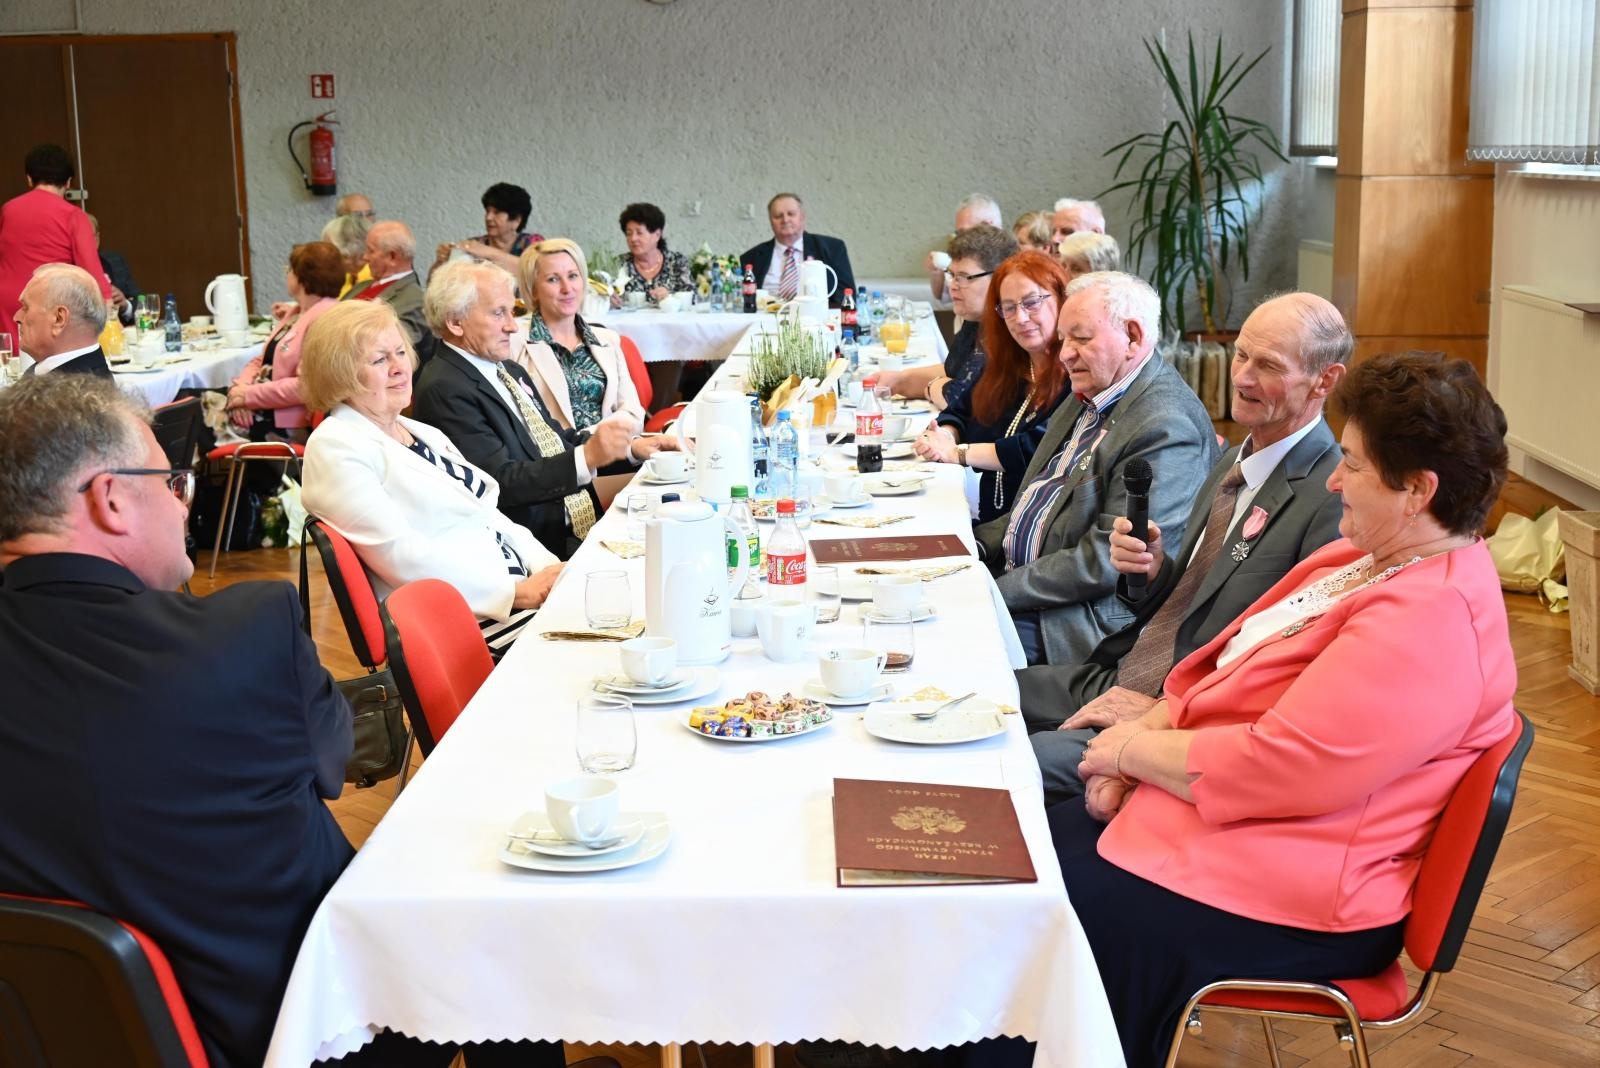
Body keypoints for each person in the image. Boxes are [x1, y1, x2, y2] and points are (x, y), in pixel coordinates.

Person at [1051, 350, 1518, 1068]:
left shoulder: (1434, 619)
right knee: (1026, 845)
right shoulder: (1365, 561)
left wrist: (1126, 754)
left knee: (1048, 902)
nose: (1335, 479)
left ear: (1418, 490)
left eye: (1355, 465)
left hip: (1302, 896)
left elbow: (1283, 767)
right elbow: (1213, 674)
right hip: (1240, 833)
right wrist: (1141, 732)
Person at [0, 373, 354, 1068]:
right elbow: (335, 768)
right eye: (172, 483)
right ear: (109, 499)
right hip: (302, 1033)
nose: (182, 505)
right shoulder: (249, 633)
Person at [1026, 293, 1351, 801]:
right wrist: (1153, 572)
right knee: (976, 691)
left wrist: (1167, 714)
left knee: (1007, 760)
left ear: (1324, 380)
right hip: (1126, 669)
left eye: (1267, 365)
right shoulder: (1239, 455)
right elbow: (1196, 601)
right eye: (1241, 355)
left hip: (1179, 715)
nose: (1241, 377)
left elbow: (1285, 668)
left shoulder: (1331, 498)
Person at [974, 271, 1218, 667]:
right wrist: (972, 549)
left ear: (1133, 337)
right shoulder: (1092, 388)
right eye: (1064, 339)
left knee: (945, 642)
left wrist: (992, 591)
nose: (1065, 353)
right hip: (1033, 589)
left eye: (1081, 339)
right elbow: (1037, 504)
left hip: (1082, 623)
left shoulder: (1166, 426)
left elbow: (1103, 562)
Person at [300, 300, 564, 653]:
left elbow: (487, 514)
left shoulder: (417, 432)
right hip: (462, 622)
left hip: (508, 593)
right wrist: (516, 593)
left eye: (399, 353)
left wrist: (550, 570)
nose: (399, 368)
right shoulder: (336, 446)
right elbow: (402, 555)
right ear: (340, 374)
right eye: (379, 360)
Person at [411, 261, 646, 560]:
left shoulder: (507, 368)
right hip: (535, 546)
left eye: (513, 311)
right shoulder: (444, 387)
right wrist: (588, 457)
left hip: (568, 517)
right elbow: (498, 483)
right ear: (456, 322)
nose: (512, 325)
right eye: (498, 313)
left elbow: (557, 439)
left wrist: (632, 448)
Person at [913, 249, 1071, 524]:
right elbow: (960, 412)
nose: (1020, 318)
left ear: (1061, 300)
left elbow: (1037, 447)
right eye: (1008, 307)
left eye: (1031, 303)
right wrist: (944, 437)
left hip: (1038, 532)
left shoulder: (1077, 372)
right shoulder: (1008, 365)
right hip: (992, 523)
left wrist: (956, 453)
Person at [881, 224, 1018, 413]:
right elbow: (953, 371)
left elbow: (954, 398)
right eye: (952, 275)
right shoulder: (976, 322)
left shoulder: (1009, 332)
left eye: (964, 277)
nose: (953, 286)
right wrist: (898, 380)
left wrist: (932, 386)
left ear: (999, 278)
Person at [224, 241, 344, 442]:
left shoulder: (325, 318)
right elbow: (261, 361)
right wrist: (240, 391)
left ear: (302, 277)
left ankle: (173, 473)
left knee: (194, 409)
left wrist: (248, 396)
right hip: (263, 405)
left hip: (287, 422)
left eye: (289, 270)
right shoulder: (297, 311)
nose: (286, 274)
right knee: (194, 401)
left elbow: (306, 386)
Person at [0, 144, 111, 351]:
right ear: (68, 182)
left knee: (11, 366)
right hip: (49, 303)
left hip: (6, 300)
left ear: (30, 179)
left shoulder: (8, 210)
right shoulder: (73, 216)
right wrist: (106, 303)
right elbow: (91, 271)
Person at [346, 220, 436, 366]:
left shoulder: (415, 300)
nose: (365, 257)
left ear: (392, 257)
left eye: (371, 251)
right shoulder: (361, 286)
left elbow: (390, 347)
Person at [741, 193, 855, 306]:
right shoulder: (751, 257)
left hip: (815, 319)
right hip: (763, 320)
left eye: (791, 214)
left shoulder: (832, 249)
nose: (785, 220)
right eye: (778, 216)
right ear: (770, 220)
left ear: (802, 216)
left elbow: (846, 295)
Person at [12, 263, 112, 377]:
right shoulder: (58, 375)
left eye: (26, 308)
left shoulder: (77, 391)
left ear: (59, 319)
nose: (16, 318)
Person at [433, 182, 543, 276]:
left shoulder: (532, 243)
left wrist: (489, 253)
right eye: (488, 211)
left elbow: (538, 272)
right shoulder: (475, 244)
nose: (488, 217)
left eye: (497, 212)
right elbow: (433, 283)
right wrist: (441, 261)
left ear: (517, 220)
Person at [612, 202, 693, 306]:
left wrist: (670, 296)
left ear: (657, 235)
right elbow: (604, 293)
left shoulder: (677, 262)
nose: (633, 239)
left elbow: (692, 297)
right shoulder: (618, 264)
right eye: (629, 233)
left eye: (639, 233)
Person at [925, 193, 1003, 302]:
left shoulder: (1011, 265)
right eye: (958, 233)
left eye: (965, 232)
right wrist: (936, 272)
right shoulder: (966, 255)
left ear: (987, 226)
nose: (960, 239)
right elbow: (945, 297)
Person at [88, 213, 140, 326]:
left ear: (97, 239)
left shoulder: (115, 261)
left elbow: (141, 306)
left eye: (88, 237)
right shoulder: (64, 271)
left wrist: (125, 305)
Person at [322, 212, 373, 297]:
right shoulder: (344, 278)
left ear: (350, 248)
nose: (325, 255)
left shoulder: (375, 279)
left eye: (330, 249)